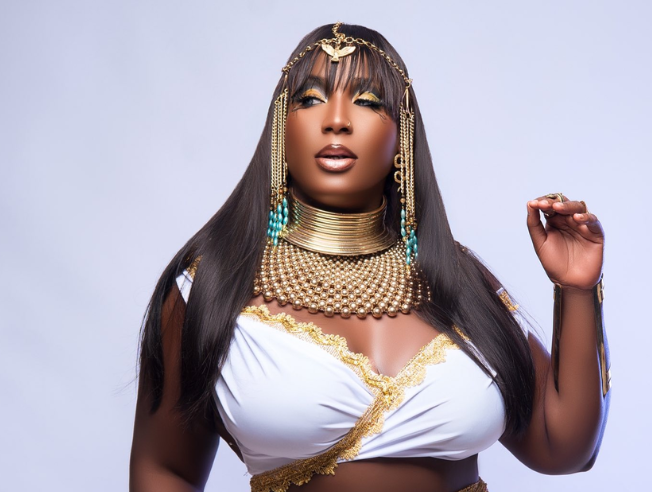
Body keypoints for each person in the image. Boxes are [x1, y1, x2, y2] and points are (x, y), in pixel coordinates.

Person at [129, 22, 611, 492]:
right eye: (310, 99)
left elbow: (564, 448)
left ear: (402, 134)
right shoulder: (210, 285)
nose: (336, 119)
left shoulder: (458, 278)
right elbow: (165, 470)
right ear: (281, 129)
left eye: (367, 101)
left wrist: (577, 289)